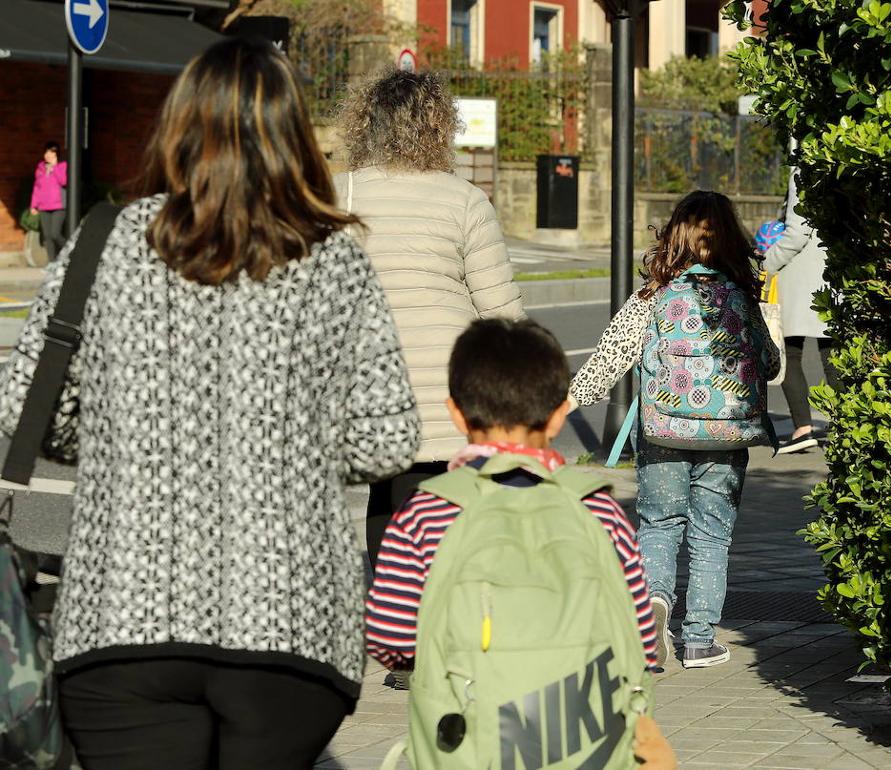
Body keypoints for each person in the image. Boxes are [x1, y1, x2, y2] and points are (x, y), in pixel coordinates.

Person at [0, 36, 421, 770]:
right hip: (290, 627)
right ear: (295, 138)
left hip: (119, 620)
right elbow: (388, 440)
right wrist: (292, 439)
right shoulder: (335, 258)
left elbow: (24, 409)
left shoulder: (104, 241)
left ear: (177, 125)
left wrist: (123, 438)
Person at [365, 319, 674, 767]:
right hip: (587, 741)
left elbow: (389, 637)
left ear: (456, 413)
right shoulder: (599, 510)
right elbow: (642, 640)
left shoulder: (425, 512)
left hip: (468, 741)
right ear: (557, 416)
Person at [569, 191, 780, 669]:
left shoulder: (653, 295)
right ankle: (700, 641)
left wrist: (564, 402)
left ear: (673, 238)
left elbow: (609, 357)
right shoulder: (741, 297)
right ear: (730, 240)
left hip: (663, 433)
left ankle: (653, 615)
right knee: (711, 535)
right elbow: (771, 364)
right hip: (726, 435)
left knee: (659, 527)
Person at [335, 70, 525, 574]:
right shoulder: (465, 200)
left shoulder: (339, 195)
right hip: (448, 383)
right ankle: (436, 607)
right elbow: (501, 313)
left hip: (368, 379)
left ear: (365, 125)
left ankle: (392, 608)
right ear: (440, 127)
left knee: (383, 490)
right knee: (440, 498)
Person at [763, 170, 842, 454]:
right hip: (834, 270)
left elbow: (797, 232)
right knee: (833, 351)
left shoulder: (803, 170)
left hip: (800, 272)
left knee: (788, 350)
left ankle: (802, 428)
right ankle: (844, 426)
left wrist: (767, 261)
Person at [29, 141, 68, 261]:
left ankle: (69, 251)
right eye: (46, 152)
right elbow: (37, 187)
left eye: (51, 152)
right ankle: (52, 263)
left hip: (58, 206)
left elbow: (64, 181)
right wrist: (33, 205)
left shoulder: (62, 166)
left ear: (56, 154)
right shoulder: (40, 168)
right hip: (44, 207)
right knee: (47, 236)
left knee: (55, 234)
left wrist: (54, 168)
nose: (48, 154)